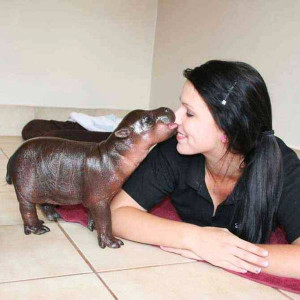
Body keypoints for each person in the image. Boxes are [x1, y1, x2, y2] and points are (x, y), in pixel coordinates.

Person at [110, 60, 300, 278]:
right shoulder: (174, 150)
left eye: (189, 113)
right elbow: (117, 214)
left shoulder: (281, 165)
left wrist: (227, 254)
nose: (175, 119)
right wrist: (197, 240)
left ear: (227, 130)